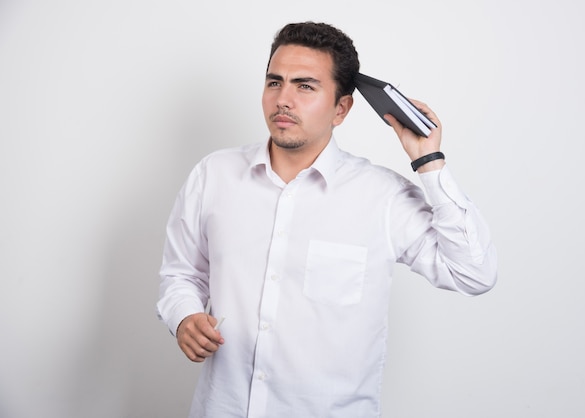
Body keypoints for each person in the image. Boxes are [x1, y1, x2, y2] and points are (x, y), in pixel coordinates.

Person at [157, 21, 497, 418]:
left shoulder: (382, 197)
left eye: (305, 86)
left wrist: (429, 161)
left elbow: (473, 273)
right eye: (274, 82)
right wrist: (184, 316)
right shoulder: (213, 175)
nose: (283, 99)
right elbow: (180, 273)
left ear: (341, 108)